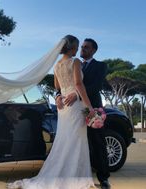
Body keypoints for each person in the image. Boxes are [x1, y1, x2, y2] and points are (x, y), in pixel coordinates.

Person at [7, 35, 95, 189]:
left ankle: (64, 173)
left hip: (63, 107)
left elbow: (57, 86)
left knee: (65, 139)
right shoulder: (75, 62)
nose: (78, 49)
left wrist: (59, 97)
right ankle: (75, 176)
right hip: (75, 106)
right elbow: (79, 84)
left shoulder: (57, 65)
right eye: (78, 46)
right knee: (76, 140)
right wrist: (90, 108)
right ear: (73, 47)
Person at [58, 38, 110, 189]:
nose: (83, 49)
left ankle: (103, 178)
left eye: (86, 47)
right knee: (76, 144)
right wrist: (57, 96)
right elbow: (61, 84)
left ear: (94, 50)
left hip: (92, 109)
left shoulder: (100, 66)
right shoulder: (74, 63)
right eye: (82, 46)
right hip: (74, 111)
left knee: (98, 143)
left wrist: (77, 94)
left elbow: (96, 86)